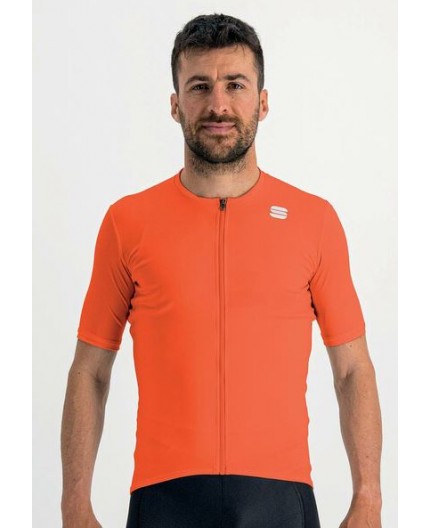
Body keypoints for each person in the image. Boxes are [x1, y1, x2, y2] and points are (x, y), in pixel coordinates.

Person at [61, 13, 383, 528]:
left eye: (235, 84)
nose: (218, 105)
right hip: (164, 499)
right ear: (175, 104)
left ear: (262, 101)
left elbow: (352, 370)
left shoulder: (314, 220)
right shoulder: (128, 222)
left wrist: (368, 499)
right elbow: (90, 370)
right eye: (199, 86)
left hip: (280, 499)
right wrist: (74, 505)